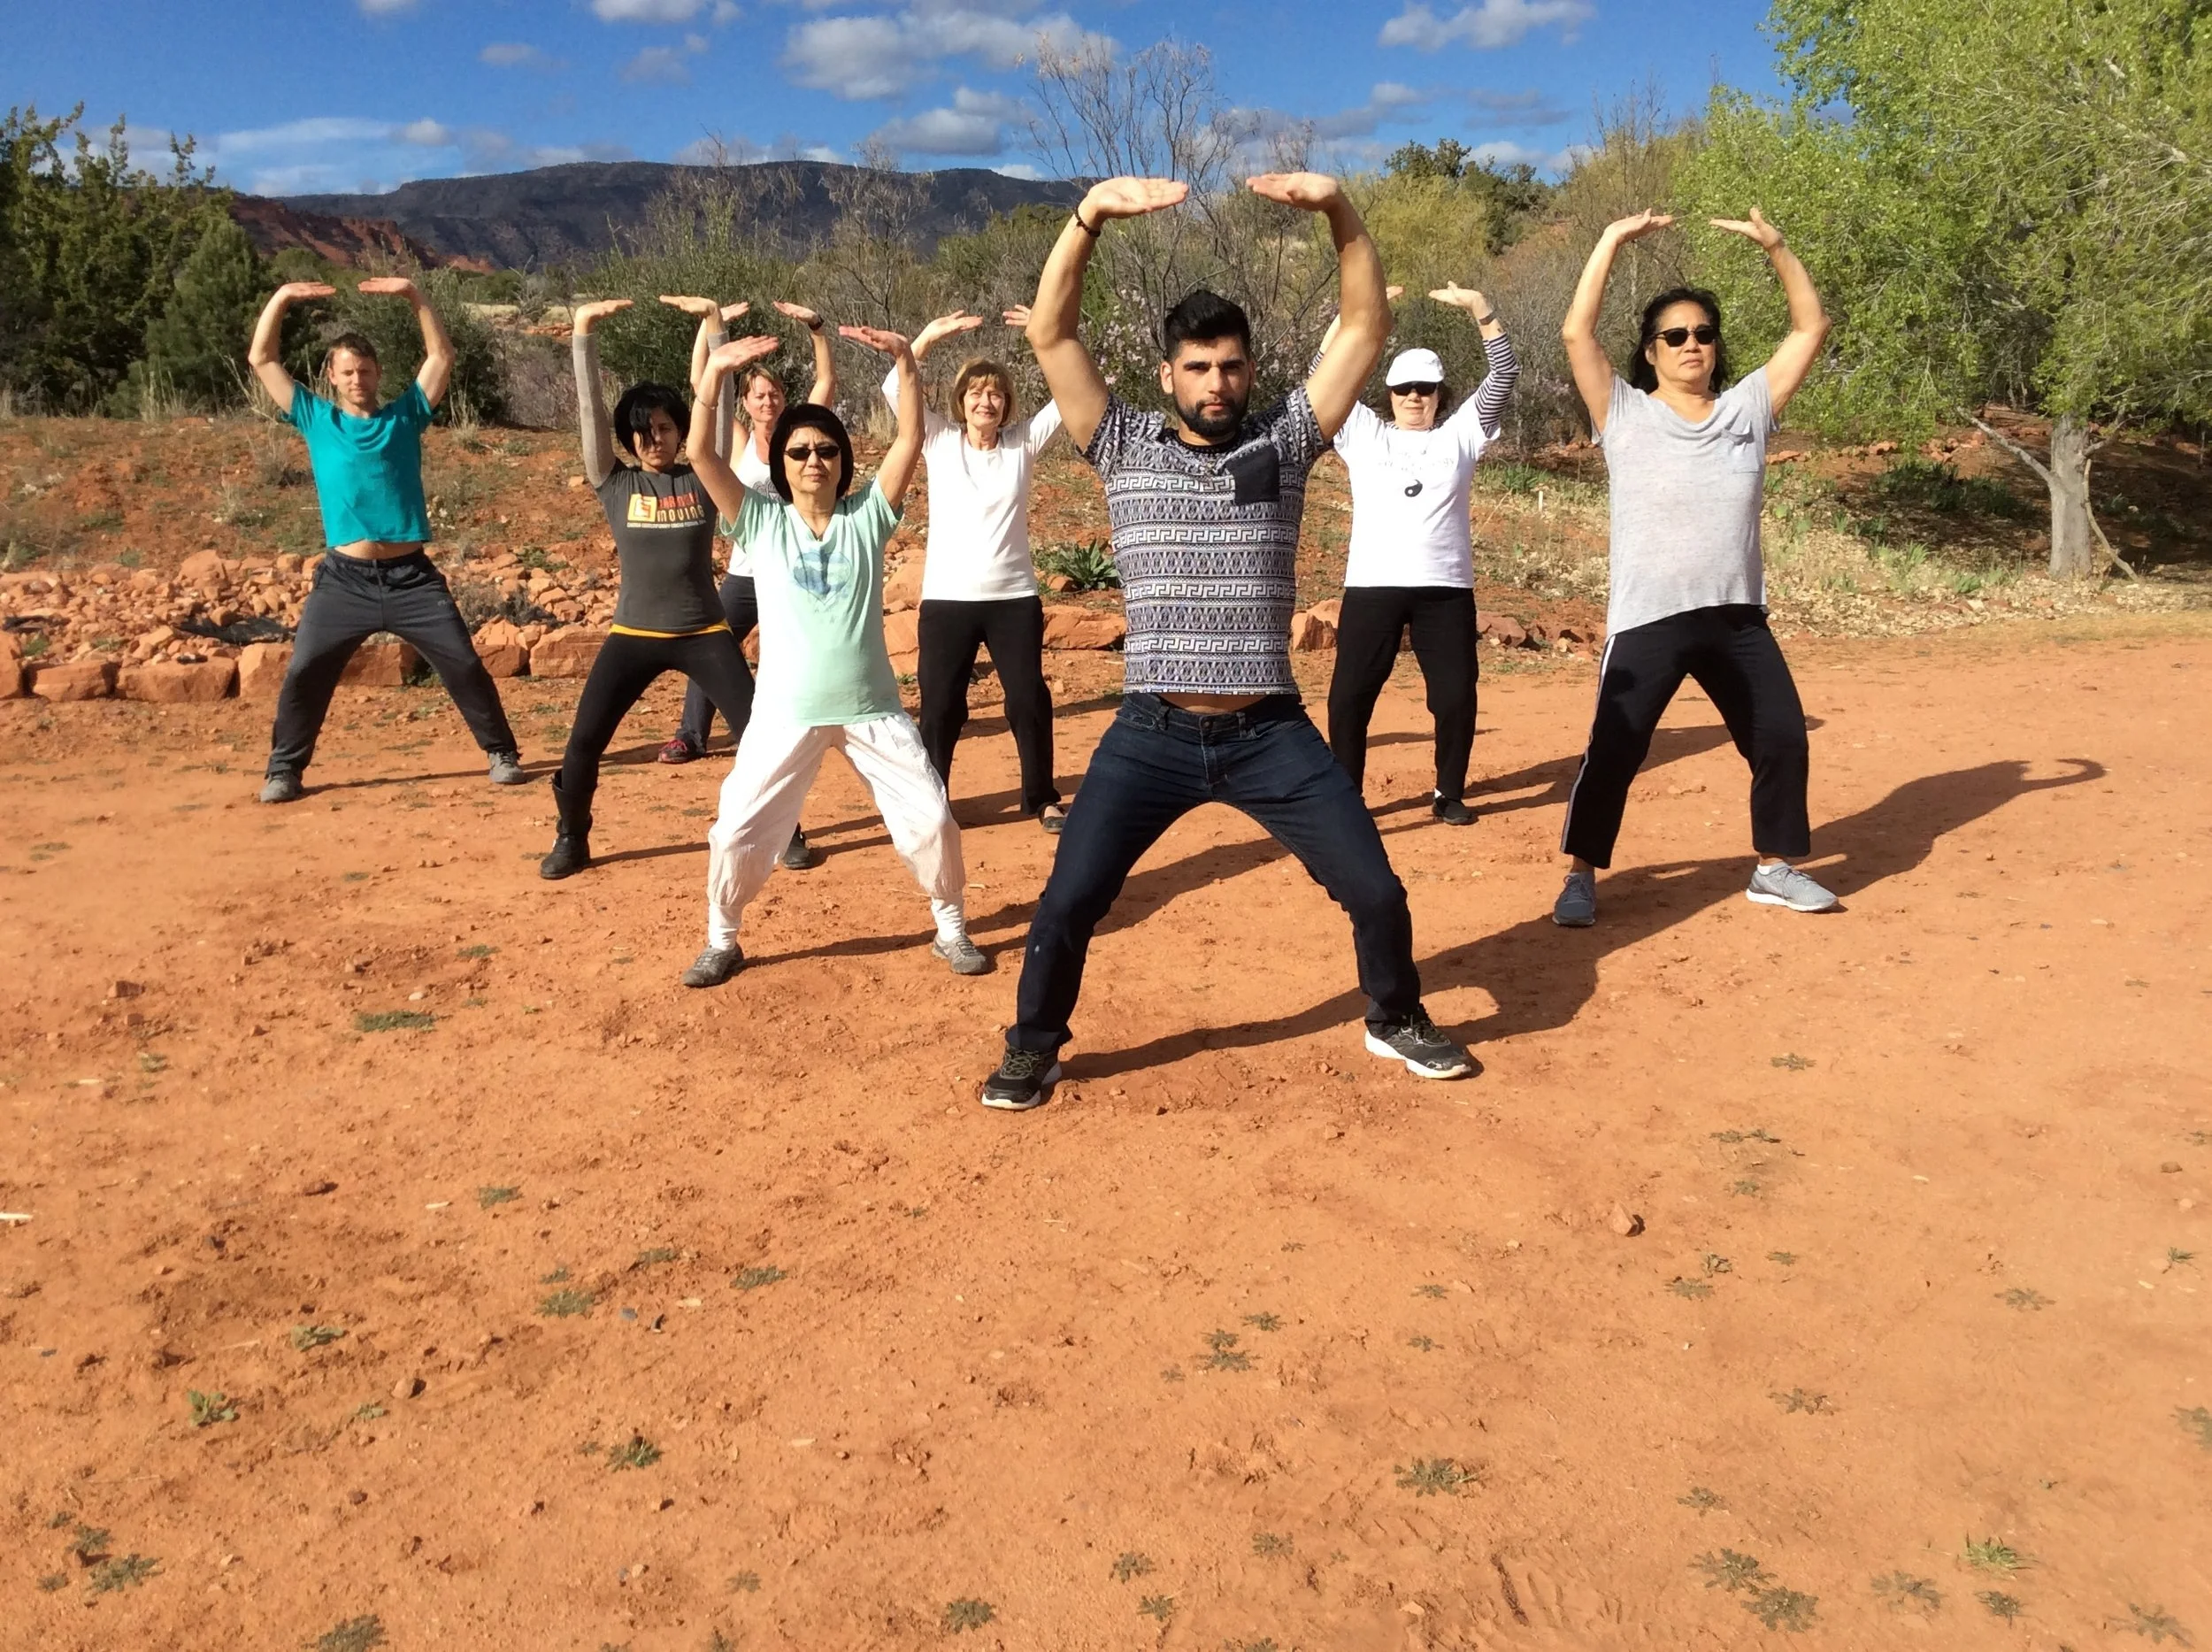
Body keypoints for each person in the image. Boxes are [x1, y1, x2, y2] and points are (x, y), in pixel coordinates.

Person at [979, 173, 1479, 1112]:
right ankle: (1032, 1043)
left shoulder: (1283, 444)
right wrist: (1087, 216)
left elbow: (1364, 329)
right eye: (1198, 368)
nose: (1217, 384)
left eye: (1232, 367)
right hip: (1150, 735)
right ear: (1167, 373)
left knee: (1376, 891)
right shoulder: (1121, 442)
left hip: (1269, 736)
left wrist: (1339, 210)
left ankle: (1393, 1013)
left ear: (1251, 371)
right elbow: (1050, 333)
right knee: (1068, 901)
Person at [1551, 207, 1836, 926]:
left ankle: (1773, 866)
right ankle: (1581, 876)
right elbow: (1576, 334)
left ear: (1716, 348)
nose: (1690, 345)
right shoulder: (1622, 412)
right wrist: (1610, 239)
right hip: (1649, 616)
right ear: (1650, 351)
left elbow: (1810, 328)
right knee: (1614, 750)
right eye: (1674, 335)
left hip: (1736, 614)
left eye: (1703, 335)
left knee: (1780, 736)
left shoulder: (1748, 408)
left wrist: (1777, 244)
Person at [679, 324, 985, 986]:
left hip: (871, 707)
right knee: (736, 831)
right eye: (798, 452)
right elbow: (701, 453)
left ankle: (951, 927)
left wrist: (907, 360)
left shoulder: (867, 519)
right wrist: (713, 377)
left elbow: (909, 438)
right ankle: (722, 937)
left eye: (825, 450)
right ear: (781, 465)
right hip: (785, 713)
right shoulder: (759, 522)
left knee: (931, 818)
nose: (813, 460)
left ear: (843, 461)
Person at [246, 278, 525, 803]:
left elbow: (441, 355)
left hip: (411, 578)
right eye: (347, 371)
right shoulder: (314, 417)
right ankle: (284, 770)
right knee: (306, 669)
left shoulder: (405, 416)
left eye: (365, 370)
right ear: (331, 376)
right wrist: (281, 297)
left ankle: (502, 752)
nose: (357, 379)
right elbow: (262, 358)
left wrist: (416, 296)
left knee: (462, 663)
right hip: (342, 582)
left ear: (378, 374)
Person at [537, 295, 760, 879]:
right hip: (632, 634)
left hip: (704, 632)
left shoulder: (703, 473)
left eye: (663, 427)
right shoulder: (612, 481)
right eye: (641, 431)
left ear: (680, 431)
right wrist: (581, 330)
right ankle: (571, 837)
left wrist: (713, 328)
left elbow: (720, 402)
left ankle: (784, 827)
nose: (651, 438)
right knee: (584, 742)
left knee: (759, 736)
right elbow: (588, 408)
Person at [1321, 280, 1519, 826]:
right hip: (1372, 586)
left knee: (1455, 696)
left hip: (1445, 589)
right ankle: (1345, 797)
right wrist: (1354, 313)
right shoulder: (1362, 432)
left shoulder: (1462, 434)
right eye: (1404, 387)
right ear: (1388, 392)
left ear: (1440, 393)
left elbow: (1503, 376)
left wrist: (1483, 308)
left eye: (1426, 388)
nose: (1415, 397)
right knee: (1349, 698)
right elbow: (1323, 374)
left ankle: (1448, 792)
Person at [886, 306, 1067, 832]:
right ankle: (932, 798)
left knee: (1027, 698)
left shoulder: (1022, 444)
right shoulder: (939, 441)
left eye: (995, 394)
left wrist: (1047, 333)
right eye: (975, 393)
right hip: (947, 601)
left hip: (1014, 599)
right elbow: (894, 392)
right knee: (941, 706)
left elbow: (1071, 394)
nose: (986, 401)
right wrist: (926, 336)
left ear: (1006, 403)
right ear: (960, 403)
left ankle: (1042, 797)